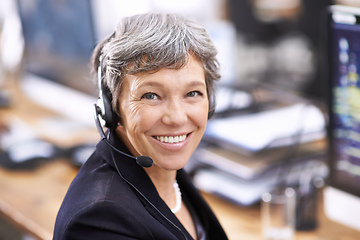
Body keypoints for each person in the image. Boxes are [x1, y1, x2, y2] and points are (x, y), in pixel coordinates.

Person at [53, 12, 228, 240]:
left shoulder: (166, 174)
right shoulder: (98, 222)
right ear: (112, 107)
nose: (176, 118)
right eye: (151, 95)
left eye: (192, 93)